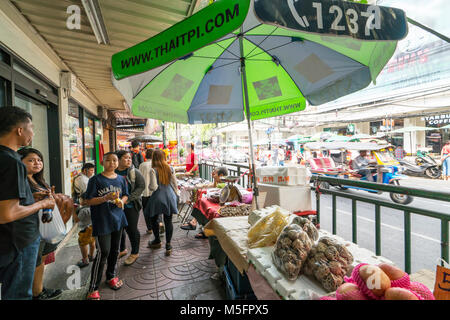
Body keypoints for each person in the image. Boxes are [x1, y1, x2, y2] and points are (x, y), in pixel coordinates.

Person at [0, 106, 55, 300]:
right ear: (20, 130)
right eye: (31, 127)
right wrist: (42, 204)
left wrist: (32, 199)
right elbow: (7, 213)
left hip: (8, 242)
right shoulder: (12, 161)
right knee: (18, 294)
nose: (33, 132)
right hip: (19, 241)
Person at [18, 147, 65, 300]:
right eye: (30, 160)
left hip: (44, 227)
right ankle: (36, 292)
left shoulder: (38, 180)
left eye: (39, 160)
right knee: (34, 262)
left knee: (41, 259)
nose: (37, 163)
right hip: (31, 228)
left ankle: (38, 289)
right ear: (19, 163)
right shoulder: (21, 181)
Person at [84, 152, 129, 300]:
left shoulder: (122, 179)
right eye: (108, 160)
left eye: (114, 160)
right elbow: (88, 201)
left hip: (118, 220)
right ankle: (93, 287)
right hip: (102, 220)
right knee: (103, 252)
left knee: (115, 251)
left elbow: (126, 195)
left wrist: (121, 201)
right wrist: (105, 198)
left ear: (118, 163)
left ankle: (111, 276)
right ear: (102, 162)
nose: (112, 163)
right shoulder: (96, 180)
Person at [144, 149, 180, 256]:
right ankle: (168, 245)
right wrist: (176, 195)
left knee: (154, 219)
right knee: (168, 221)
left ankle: (157, 241)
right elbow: (175, 184)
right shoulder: (171, 168)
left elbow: (153, 187)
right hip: (170, 197)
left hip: (157, 197)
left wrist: (150, 186)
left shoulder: (153, 170)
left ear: (154, 158)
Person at [180, 167, 228, 239]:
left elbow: (215, 187)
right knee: (201, 202)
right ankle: (196, 223)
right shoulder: (220, 183)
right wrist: (215, 178)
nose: (213, 175)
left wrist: (215, 180)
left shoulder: (223, 185)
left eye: (214, 174)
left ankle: (198, 225)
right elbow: (214, 186)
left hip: (219, 204)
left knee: (203, 205)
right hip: (216, 201)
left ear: (220, 175)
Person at [115, 150, 145, 266]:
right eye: (126, 158)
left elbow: (141, 186)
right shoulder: (113, 172)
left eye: (130, 158)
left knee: (131, 229)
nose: (129, 160)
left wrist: (129, 198)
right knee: (119, 228)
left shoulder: (134, 172)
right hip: (116, 206)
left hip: (131, 205)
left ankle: (135, 252)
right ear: (118, 159)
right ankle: (122, 250)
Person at [139, 148, 165, 235]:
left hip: (145, 191)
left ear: (146, 156)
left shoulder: (142, 165)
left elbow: (139, 178)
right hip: (156, 191)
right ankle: (160, 222)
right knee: (157, 209)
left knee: (146, 210)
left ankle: (149, 228)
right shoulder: (157, 165)